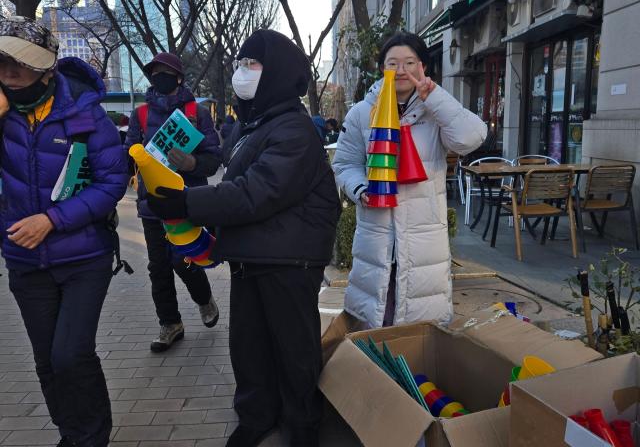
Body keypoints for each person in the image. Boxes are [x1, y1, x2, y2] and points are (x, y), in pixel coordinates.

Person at [146, 29, 340, 447]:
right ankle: (256, 415)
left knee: (292, 349)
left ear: (278, 73)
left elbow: (257, 192)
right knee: (249, 346)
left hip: (290, 259)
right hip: (252, 255)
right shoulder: (255, 125)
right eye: (239, 64)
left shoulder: (295, 129)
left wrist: (186, 203)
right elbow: (233, 183)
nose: (241, 72)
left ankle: (301, 423)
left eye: (252, 64)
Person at [0, 16, 128, 446]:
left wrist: (51, 220)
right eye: (1, 63)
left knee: (70, 355)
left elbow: (112, 183)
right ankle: (71, 434)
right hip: (24, 261)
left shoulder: (84, 113)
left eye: (19, 63)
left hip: (83, 258)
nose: (9, 73)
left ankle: (93, 437)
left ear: (46, 68)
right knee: (46, 362)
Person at [332, 31, 486, 328]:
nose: (401, 70)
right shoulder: (363, 113)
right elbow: (345, 163)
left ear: (423, 67)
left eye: (409, 62)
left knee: (421, 334)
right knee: (372, 323)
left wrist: (436, 99)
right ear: (382, 69)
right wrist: (360, 189)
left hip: (424, 240)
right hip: (375, 236)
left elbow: (472, 137)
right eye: (393, 63)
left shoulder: (436, 110)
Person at [125, 52, 222, 352]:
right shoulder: (140, 115)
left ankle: (204, 299)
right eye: (155, 72)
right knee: (158, 267)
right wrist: (136, 158)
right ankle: (169, 323)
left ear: (179, 77)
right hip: (152, 205)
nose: (159, 76)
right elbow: (128, 154)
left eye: (166, 71)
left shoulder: (197, 113)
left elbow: (214, 157)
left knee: (184, 258)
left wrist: (193, 162)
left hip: (187, 201)